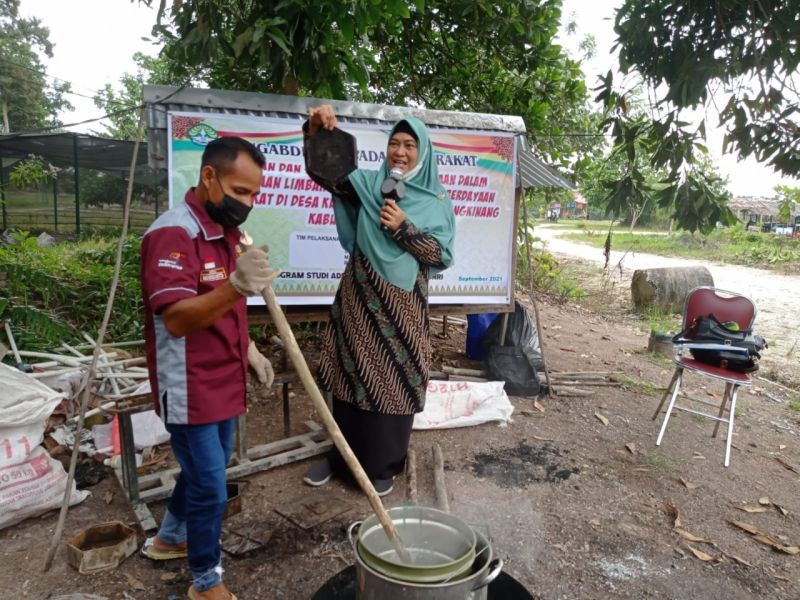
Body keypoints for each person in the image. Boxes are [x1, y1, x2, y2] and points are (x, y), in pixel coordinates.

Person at [139, 136, 278, 600]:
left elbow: (225, 311)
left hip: (224, 375)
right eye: (240, 192)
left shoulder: (226, 233)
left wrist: (250, 349)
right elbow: (177, 319)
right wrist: (238, 286)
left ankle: (169, 539)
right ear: (208, 177)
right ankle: (205, 581)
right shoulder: (173, 235)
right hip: (190, 384)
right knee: (213, 488)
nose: (248, 204)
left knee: (205, 472)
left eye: (255, 195)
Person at [302, 105, 456, 496]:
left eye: (409, 145)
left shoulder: (437, 202)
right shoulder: (371, 185)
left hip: (401, 305)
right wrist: (318, 129)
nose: (400, 152)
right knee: (349, 374)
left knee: (393, 378)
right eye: (394, 143)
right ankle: (341, 457)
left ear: (423, 153)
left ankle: (383, 464)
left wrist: (403, 229)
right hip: (358, 295)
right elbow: (326, 172)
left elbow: (441, 255)